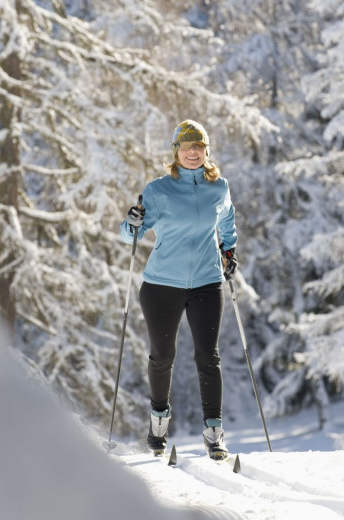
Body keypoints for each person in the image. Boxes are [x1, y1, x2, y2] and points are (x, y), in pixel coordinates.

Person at [120, 120, 238, 460]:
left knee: (208, 356)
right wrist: (133, 222)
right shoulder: (159, 189)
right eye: (186, 147)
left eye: (198, 147)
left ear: (206, 152)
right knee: (162, 356)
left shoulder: (219, 188)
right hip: (161, 285)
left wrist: (229, 250)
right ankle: (158, 422)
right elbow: (130, 236)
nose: (192, 153)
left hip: (206, 282)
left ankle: (214, 433)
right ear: (176, 152)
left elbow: (228, 220)